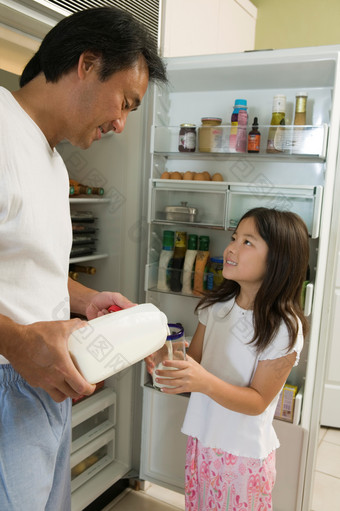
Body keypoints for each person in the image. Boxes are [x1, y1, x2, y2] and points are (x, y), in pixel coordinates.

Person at [0, 6, 167, 511]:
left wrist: (84, 299)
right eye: (126, 102)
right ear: (87, 64)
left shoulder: (50, 157)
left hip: (38, 378)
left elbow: (24, 264)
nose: (120, 123)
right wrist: (18, 342)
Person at [153, 207, 309, 510]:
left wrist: (202, 381)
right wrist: (166, 358)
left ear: (279, 259)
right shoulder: (217, 305)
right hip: (202, 441)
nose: (231, 248)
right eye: (234, 237)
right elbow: (194, 362)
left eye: (248, 242)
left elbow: (257, 401)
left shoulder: (284, 328)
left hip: (242, 457)